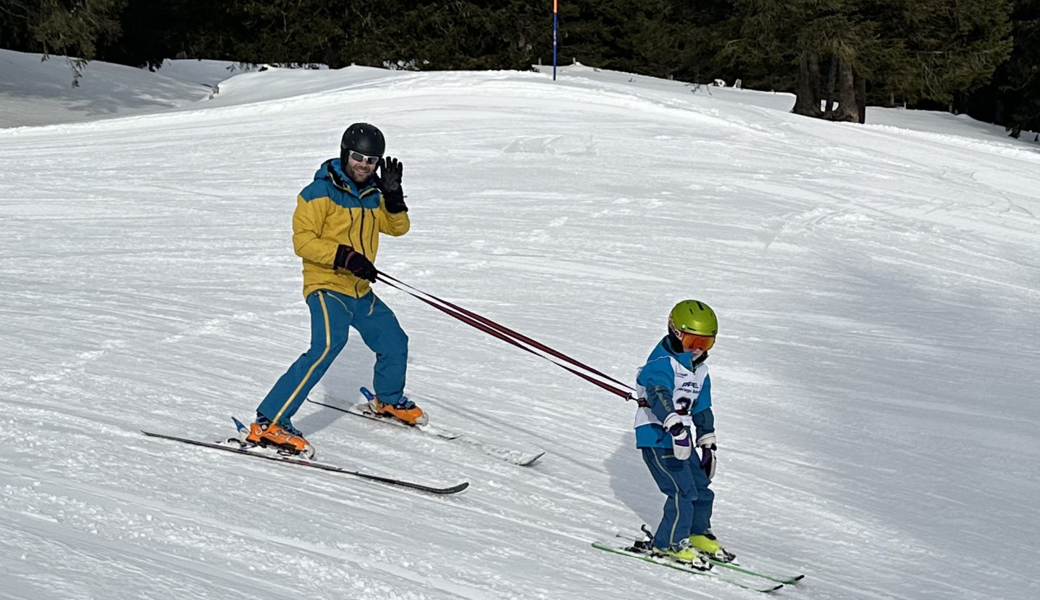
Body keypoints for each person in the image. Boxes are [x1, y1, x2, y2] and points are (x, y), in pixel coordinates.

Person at [244, 123, 425, 458]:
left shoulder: (373, 193)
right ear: (345, 153)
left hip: (359, 288)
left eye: (372, 160)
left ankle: (387, 399)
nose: (364, 165)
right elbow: (303, 241)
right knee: (327, 345)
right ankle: (270, 420)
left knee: (394, 341)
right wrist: (343, 255)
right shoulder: (317, 193)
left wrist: (394, 198)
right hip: (327, 286)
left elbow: (398, 229)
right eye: (358, 157)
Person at [633, 299, 734, 567]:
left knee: (701, 488)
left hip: (682, 439)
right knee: (681, 491)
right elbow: (658, 393)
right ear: (675, 333)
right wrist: (674, 426)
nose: (698, 351)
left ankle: (697, 533)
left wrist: (708, 442)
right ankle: (668, 544)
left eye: (706, 344)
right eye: (692, 343)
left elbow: (702, 407)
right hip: (656, 437)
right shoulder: (661, 363)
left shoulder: (700, 371)